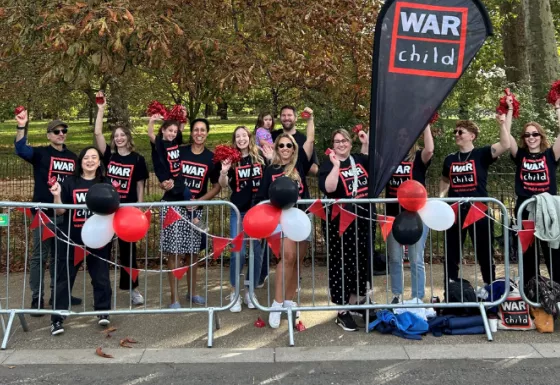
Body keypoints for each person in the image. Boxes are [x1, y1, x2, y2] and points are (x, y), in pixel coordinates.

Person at [14, 110, 80, 314]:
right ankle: (37, 299)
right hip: (43, 214)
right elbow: (20, 149)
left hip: (64, 213)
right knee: (39, 257)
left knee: (60, 258)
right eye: (57, 131)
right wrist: (21, 126)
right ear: (49, 135)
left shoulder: (72, 158)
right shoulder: (41, 154)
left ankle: (58, 296)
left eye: (64, 131)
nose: (61, 134)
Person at [256, 107, 315, 328]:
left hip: (302, 218)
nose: (285, 148)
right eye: (281, 145)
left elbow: (310, 139)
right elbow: (261, 198)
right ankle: (276, 303)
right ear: (276, 148)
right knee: (286, 259)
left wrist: (311, 119)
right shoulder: (270, 171)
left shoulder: (300, 165)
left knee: (297, 262)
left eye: (289, 145)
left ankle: (289, 300)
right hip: (280, 221)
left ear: (294, 148)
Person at [49, 146, 113, 335]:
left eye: (94, 157)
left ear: (99, 162)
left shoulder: (105, 183)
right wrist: (57, 195)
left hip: (98, 240)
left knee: (101, 276)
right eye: (86, 157)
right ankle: (57, 319)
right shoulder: (70, 183)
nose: (90, 160)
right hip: (72, 239)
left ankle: (103, 312)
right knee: (64, 279)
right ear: (81, 161)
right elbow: (60, 211)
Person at [439, 117, 510, 286]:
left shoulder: (482, 154)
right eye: (455, 132)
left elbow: (505, 145)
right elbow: (444, 180)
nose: (456, 134)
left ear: (472, 135)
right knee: (452, 253)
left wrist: (502, 123)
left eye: (460, 132)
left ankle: (490, 287)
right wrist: (441, 197)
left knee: (485, 252)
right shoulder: (450, 159)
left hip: (479, 210)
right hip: (455, 211)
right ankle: (451, 288)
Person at [93, 91, 149, 305]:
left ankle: (133, 290)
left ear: (128, 137)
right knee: (102, 250)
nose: (119, 138)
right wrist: (101, 109)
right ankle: (101, 290)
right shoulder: (110, 156)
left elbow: (140, 184)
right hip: (108, 209)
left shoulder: (137, 159)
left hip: (128, 211)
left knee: (129, 254)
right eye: (115, 135)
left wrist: (140, 208)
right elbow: (98, 134)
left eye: (122, 135)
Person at [159, 118, 221, 308]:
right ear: (191, 132)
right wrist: (164, 182)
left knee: (193, 254)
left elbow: (218, 186)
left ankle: (192, 293)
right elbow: (164, 167)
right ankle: (174, 298)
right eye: (196, 130)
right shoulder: (180, 151)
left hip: (195, 211)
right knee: (174, 254)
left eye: (203, 130)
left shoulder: (211, 158)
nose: (199, 133)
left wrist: (200, 202)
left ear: (207, 133)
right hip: (173, 207)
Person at [318, 128, 369, 331]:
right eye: (337, 141)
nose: (340, 144)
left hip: (363, 219)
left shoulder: (358, 159)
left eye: (344, 140)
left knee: (361, 261)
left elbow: (370, 160)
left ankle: (356, 302)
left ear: (350, 142)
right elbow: (329, 188)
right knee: (342, 263)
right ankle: (341, 310)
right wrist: (336, 166)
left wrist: (365, 141)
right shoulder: (328, 164)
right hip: (339, 222)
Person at [219, 126, 273, 312]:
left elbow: (273, 172)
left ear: (249, 137)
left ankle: (250, 291)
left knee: (256, 252)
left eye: (244, 135)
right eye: (237, 136)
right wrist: (224, 171)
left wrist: (271, 159)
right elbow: (224, 185)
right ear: (234, 139)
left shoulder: (260, 155)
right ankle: (235, 292)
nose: (241, 138)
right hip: (239, 211)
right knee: (238, 252)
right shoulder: (232, 159)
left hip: (259, 212)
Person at [508, 97, 560, 287]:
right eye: (527, 135)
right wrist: (509, 111)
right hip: (525, 209)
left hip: (548, 211)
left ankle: (557, 292)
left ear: (541, 136)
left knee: (552, 252)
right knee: (528, 254)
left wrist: (558, 108)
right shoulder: (520, 155)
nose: (531, 137)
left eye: (535, 134)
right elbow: (506, 138)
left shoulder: (550, 154)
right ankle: (532, 291)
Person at [385, 125, 434, 304]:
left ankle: (417, 297)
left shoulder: (419, 157)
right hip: (392, 216)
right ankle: (396, 295)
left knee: (416, 258)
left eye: (407, 136)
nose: (403, 139)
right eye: (399, 136)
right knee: (395, 258)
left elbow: (430, 149)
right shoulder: (389, 159)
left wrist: (426, 124)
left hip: (416, 216)